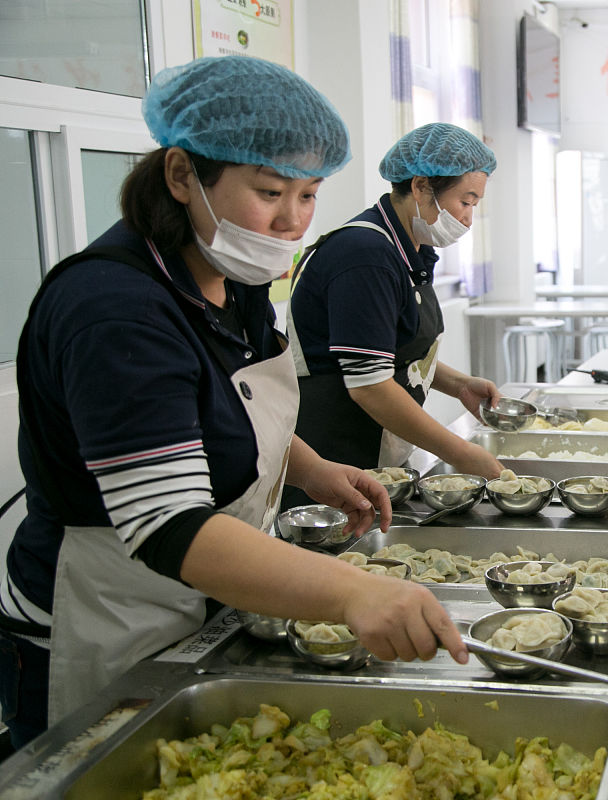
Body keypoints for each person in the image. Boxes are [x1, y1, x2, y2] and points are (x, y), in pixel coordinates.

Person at [0, 57, 468, 749]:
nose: (291, 221)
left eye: (308, 195)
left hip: (209, 597)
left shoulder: (232, 278)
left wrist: (310, 469)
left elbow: (238, 406)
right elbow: (168, 524)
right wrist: (350, 592)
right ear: (183, 175)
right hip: (105, 614)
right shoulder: (115, 310)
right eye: (271, 191)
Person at [286, 123, 503, 501]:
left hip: (377, 457)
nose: (468, 218)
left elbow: (393, 349)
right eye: (465, 202)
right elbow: (370, 386)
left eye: (475, 205)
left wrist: (458, 385)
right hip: (336, 461)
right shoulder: (364, 255)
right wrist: (460, 451)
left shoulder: (410, 251)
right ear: (420, 187)